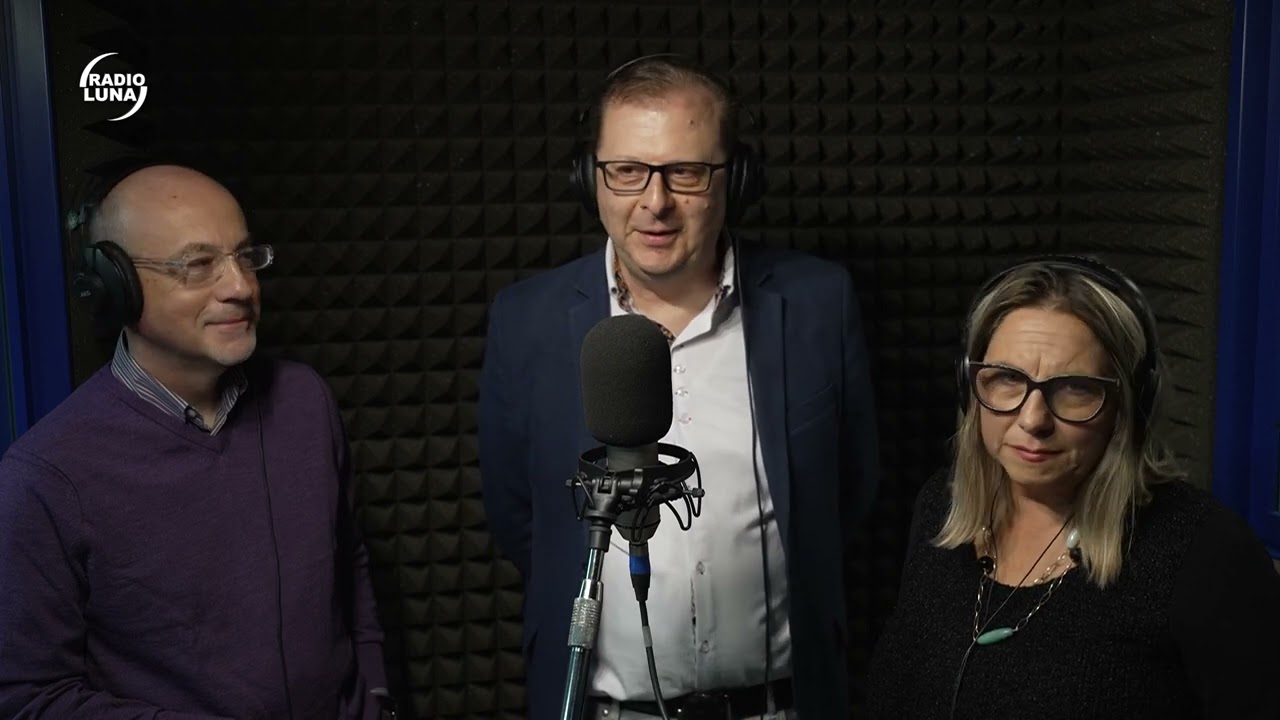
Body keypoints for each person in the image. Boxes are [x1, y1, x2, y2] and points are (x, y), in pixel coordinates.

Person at [479, 55, 880, 720]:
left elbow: (850, 491)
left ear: (737, 179)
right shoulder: (527, 322)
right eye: (626, 171)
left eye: (686, 172)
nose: (655, 202)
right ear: (590, 178)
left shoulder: (819, 303)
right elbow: (520, 517)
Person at [0, 162, 389, 718]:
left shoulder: (306, 401)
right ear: (114, 285)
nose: (240, 287)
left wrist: (376, 697)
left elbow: (349, 565)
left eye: (246, 257)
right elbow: (29, 697)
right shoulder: (46, 475)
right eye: (198, 265)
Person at [864, 256, 1280, 719]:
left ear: (1128, 406)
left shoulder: (1205, 552)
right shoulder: (942, 505)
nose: (1033, 419)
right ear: (970, 387)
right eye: (1007, 379)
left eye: (1075, 388)